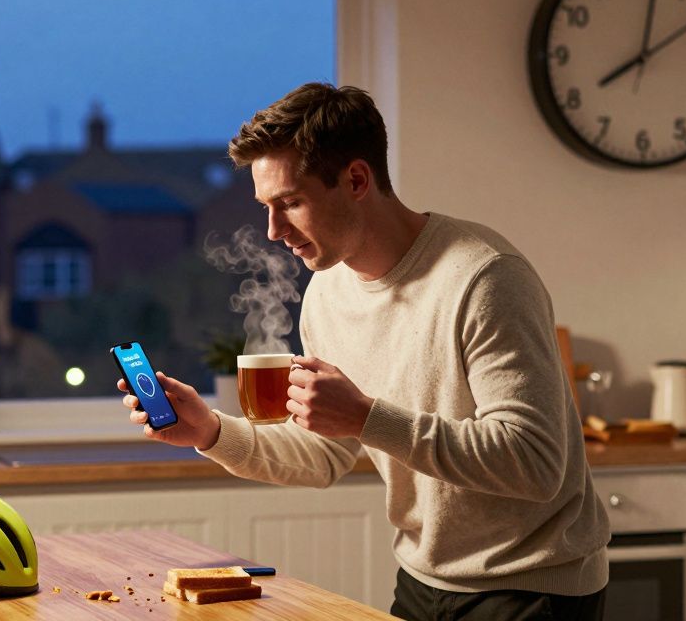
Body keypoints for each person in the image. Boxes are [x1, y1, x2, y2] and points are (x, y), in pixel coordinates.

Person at [118, 83, 610, 620]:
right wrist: (211, 432)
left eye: (291, 203)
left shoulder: (484, 278)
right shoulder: (327, 292)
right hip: (422, 578)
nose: (274, 231)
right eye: (266, 208)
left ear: (356, 179)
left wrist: (367, 417)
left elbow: (535, 463)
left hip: (532, 588)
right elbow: (325, 455)